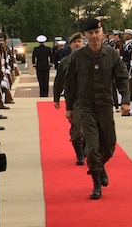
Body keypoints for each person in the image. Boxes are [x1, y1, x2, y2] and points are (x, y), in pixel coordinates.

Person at [65, 18, 130, 200]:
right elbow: (70, 84)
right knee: (92, 145)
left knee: (109, 145)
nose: (94, 36)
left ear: (102, 34)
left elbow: (122, 78)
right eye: (90, 33)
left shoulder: (111, 55)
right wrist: (69, 107)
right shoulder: (77, 57)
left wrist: (125, 100)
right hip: (84, 106)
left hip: (104, 105)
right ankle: (96, 182)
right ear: (85, 36)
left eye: (97, 32)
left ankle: (100, 166)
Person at [53, 32, 85, 165]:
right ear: (70, 45)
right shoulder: (65, 62)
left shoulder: (92, 59)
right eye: (74, 42)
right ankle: (79, 155)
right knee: (77, 129)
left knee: (91, 129)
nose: (77, 44)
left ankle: (85, 149)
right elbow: (58, 81)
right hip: (74, 100)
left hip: (90, 99)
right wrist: (56, 98)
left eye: (79, 41)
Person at [121, 28, 132, 116]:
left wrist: (131, 72)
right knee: (128, 89)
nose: (124, 36)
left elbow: (131, 58)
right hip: (126, 68)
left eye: (126, 34)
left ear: (130, 35)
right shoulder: (127, 45)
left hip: (129, 69)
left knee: (130, 89)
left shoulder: (131, 45)